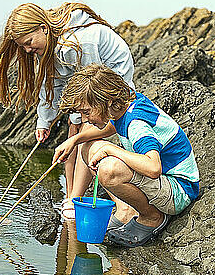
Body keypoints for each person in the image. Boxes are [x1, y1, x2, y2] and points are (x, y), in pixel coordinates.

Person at [0, 2, 134, 219]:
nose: (27, 50)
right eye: (23, 46)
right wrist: (43, 123)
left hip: (113, 77)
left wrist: (82, 115)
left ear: (43, 29)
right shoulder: (49, 47)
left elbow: (92, 83)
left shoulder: (81, 42)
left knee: (84, 125)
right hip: (88, 78)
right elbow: (51, 85)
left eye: (29, 42)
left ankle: (76, 197)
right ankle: (70, 194)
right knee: (72, 126)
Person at [53, 64, 199, 247]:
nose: (85, 118)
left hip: (178, 191)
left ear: (105, 102)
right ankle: (126, 209)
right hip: (165, 183)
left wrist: (112, 150)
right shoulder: (126, 106)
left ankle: (152, 217)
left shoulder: (136, 123)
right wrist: (75, 139)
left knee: (109, 169)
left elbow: (153, 168)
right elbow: (114, 126)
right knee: (88, 147)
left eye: (86, 112)